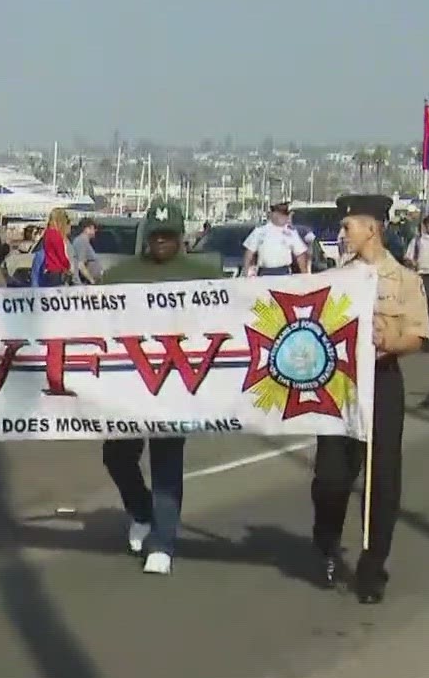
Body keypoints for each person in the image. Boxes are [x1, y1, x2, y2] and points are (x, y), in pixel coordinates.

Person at [310, 195, 429, 604]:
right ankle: (326, 544)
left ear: (371, 228)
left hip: (382, 379)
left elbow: (418, 335)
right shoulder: (336, 277)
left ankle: (372, 565)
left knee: (382, 478)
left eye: (348, 228)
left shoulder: (405, 280)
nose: (343, 235)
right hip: (340, 382)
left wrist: (390, 341)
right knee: (330, 476)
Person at [98, 206, 222, 574]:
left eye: (169, 234)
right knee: (117, 457)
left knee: (166, 465)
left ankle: (162, 543)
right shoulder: (120, 277)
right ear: (147, 236)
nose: (162, 241)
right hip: (129, 386)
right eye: (156, 235)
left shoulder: (205, 275)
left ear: (181, 236)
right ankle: (141, 511)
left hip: (177, 384)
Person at [242, 202, 310, 277]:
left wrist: (304, 274)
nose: (283, 218)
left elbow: (300, 254)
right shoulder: (259, 231)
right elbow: (249, 253)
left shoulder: (291, 233)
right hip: (264, 273)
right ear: (273, 215)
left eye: (284, 215)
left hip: (283, 272)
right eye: (280, 215)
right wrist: (245, 272)